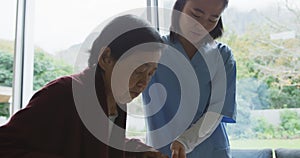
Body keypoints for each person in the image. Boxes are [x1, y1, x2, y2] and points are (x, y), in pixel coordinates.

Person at [0, 14, 168, 158]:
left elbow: (100, 145)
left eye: (151, 74)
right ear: (106, 58)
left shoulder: (116, 102)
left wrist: (138, 152)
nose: (143, 83)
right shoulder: (64, 93)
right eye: (138, 70)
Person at [142, 0, 236, 158]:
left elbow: (217, 111)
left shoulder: (222, 56)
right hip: (161, 152)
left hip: (212, 152)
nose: (202, 24)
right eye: (196, 14)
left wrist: (185, 141)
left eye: (212, 19)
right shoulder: (153, 50)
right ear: (179, 9)